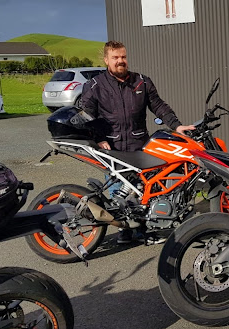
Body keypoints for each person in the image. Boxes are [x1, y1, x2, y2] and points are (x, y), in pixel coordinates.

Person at [81, 40, 194, 244]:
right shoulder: (95, 85)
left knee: (145, 188)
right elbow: (86, 115)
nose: (120, 61)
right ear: (106, 60)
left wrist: (177, 126)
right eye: (115, 57)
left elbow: (159, 106)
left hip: (139, 145)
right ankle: (123, 231)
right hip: (112, 148)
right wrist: (98, 139)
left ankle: (144, 230)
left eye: (123, 57)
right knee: (118, 190)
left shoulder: (141, 81)